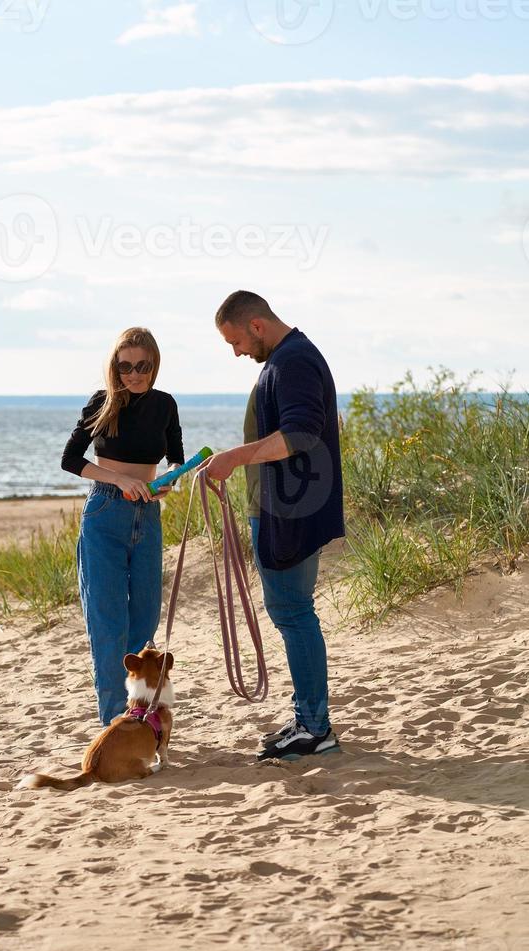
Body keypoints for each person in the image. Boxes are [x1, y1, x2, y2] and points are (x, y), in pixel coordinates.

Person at [199, 291, 344, 761]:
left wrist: (233, 458)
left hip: (291, 511)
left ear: (257, 325)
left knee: (293, 613)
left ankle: (314, 727)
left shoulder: (293, 361)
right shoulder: (284, 360)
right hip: (284, 506)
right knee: (293, 613)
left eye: (236, 341)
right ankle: (309, 720)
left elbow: (302, 432)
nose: (236, 352)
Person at [61, 328, 184, 727]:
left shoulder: (165, 404)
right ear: (115, 367)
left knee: (145, 619)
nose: (133, 374)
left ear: (154, 365)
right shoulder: (103, 403)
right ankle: (115, 723)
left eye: (141, 366)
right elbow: (70, 459)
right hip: (106, 513)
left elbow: (176, 459)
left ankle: (138, 714)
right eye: (125, 366)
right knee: (109, 623)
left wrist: (167, 481)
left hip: (147, 515)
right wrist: (118, 480)